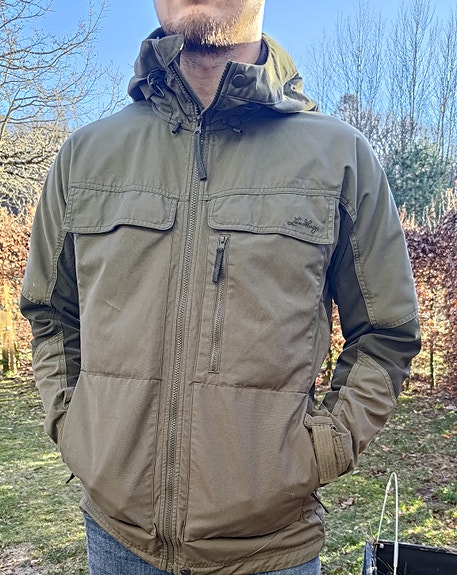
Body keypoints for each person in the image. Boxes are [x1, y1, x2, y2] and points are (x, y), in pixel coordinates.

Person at [20, 1, 421, 574]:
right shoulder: (86, 157)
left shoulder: (339, 158)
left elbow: (386, 333)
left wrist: (322, 448)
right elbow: (49, 313)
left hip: (270, 550)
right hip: (117, 539)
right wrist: (73, 423)